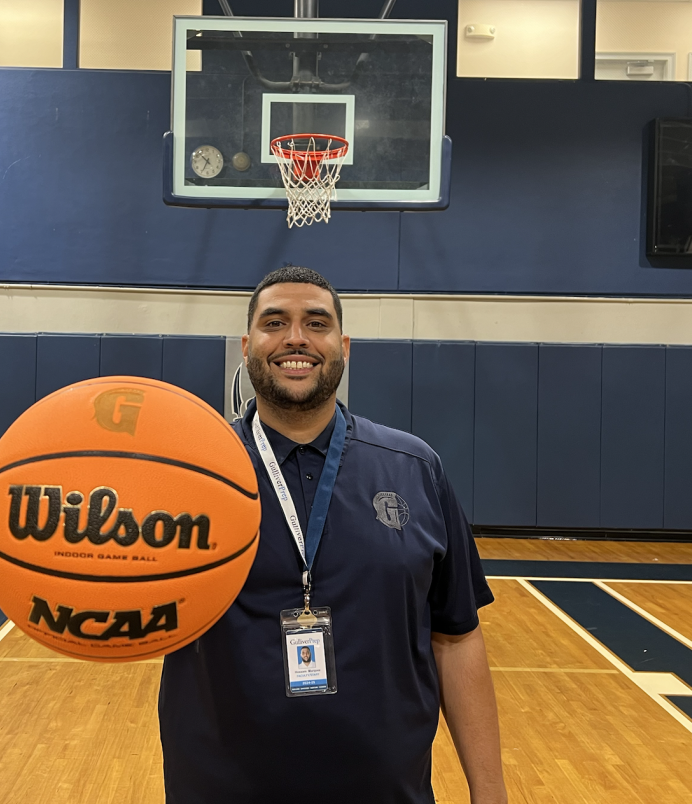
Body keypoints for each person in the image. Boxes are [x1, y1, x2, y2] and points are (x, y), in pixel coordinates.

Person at [159, 266, 506, 804]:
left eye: (315, 323)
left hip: (384, 790)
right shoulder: (191, 476)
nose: (296, 337)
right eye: (275, 322)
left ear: (342, 346)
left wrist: (490, 792)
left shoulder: (414, 468)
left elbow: (457, 636)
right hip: (221, 788)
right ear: (248, 345)